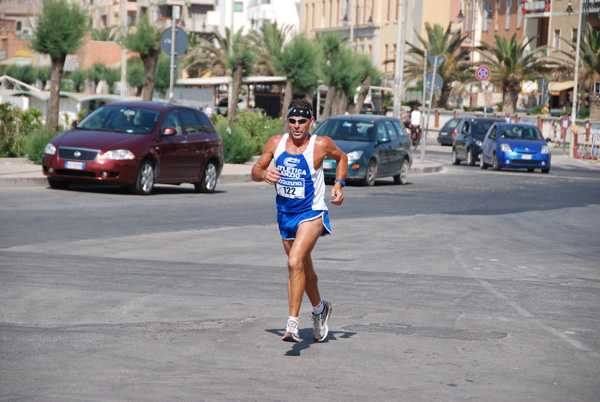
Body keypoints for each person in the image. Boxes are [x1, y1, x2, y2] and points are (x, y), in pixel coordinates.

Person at [251, 98, 348, 343]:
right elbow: (255, 170)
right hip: (285, 215)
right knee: (304, 268)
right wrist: (264, 173)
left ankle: (292, 325)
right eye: (292, 121)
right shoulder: (276, 142)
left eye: (302, 121)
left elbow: (342, 158)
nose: (296, 126)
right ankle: (320, 310)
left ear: (311, 122)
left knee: (294, 262)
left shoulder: (321, 145)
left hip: (312, 213)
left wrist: (338, 184)